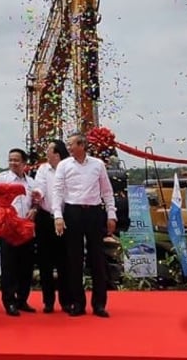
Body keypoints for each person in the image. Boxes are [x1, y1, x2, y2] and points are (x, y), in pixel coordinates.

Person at [51, 132, 116, 318]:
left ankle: (99, 304)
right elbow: (57, 191)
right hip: (72, 212)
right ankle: (77, 303)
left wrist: (111, 214)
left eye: (71, 144)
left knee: (97, 259)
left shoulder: (98, 164)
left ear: (81, 145)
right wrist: (58, 216)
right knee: (74, 259)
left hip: (94, 212)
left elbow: (107, 191)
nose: (68, 148)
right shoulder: (64, 165)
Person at [0, 148, 37, 316]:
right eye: (10, 160)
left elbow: (37, 201)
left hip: (26, 228)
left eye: (16, 160)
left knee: (26, 266)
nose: (13, 163)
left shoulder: (31, 182)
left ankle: (22, 299)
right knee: (9, 266)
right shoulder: (1, 179)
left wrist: (35, 209)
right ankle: (9, 301)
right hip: (9, 229)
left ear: (24, 163)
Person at [31, 139, 71, 313]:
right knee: (45, 261)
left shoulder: (69, 167)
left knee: (64, 262)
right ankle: (48, 301)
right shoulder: (42, 169)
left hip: (64, 218)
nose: (45, 152)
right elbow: (39, 186)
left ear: (57, 153)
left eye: (48, 150)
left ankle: (66, 301)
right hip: (46, 219)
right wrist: (37, 194)